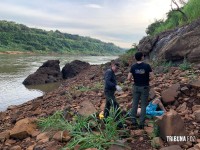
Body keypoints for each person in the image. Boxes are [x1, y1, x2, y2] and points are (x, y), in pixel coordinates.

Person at [127, 52, 154, 129]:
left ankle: (133, 121)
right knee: (143, 105)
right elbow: (152, 77)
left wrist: (134, 80)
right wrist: (146, 79)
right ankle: (141, 123)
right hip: (145, 87)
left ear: (135, 58)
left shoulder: (133, 67)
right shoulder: (147, 66)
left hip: (136, 87)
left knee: (134, 104)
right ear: (142, 57)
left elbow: (128, 78)